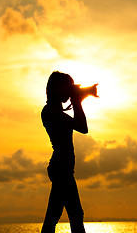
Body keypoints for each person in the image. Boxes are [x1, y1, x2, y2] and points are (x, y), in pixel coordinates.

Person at [41, 71, 97, 233]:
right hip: (61, 169)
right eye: (67, 87)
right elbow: (82, 127)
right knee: (75, 214)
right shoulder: (50, 112)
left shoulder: (55, 111)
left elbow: (79, 125)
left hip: (63, 168)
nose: (70, 90)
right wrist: (76, 100)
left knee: (53, 216)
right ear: (56, 89)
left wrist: (78, 98)